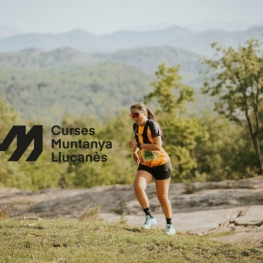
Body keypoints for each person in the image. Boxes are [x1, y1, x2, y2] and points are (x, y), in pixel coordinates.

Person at [128, 102, 175, 235]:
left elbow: (157, 146)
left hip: (162, 164)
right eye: (132, 115)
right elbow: (141, 140)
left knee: (162, 197)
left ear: (144, 113)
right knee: (138, 187)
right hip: (147, 163)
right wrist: (135, 151)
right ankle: (150, 217)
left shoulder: (152, 125)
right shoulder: (136, 126)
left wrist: (137, 144)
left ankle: (169, 224)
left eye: (136, 114)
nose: (134, 117)